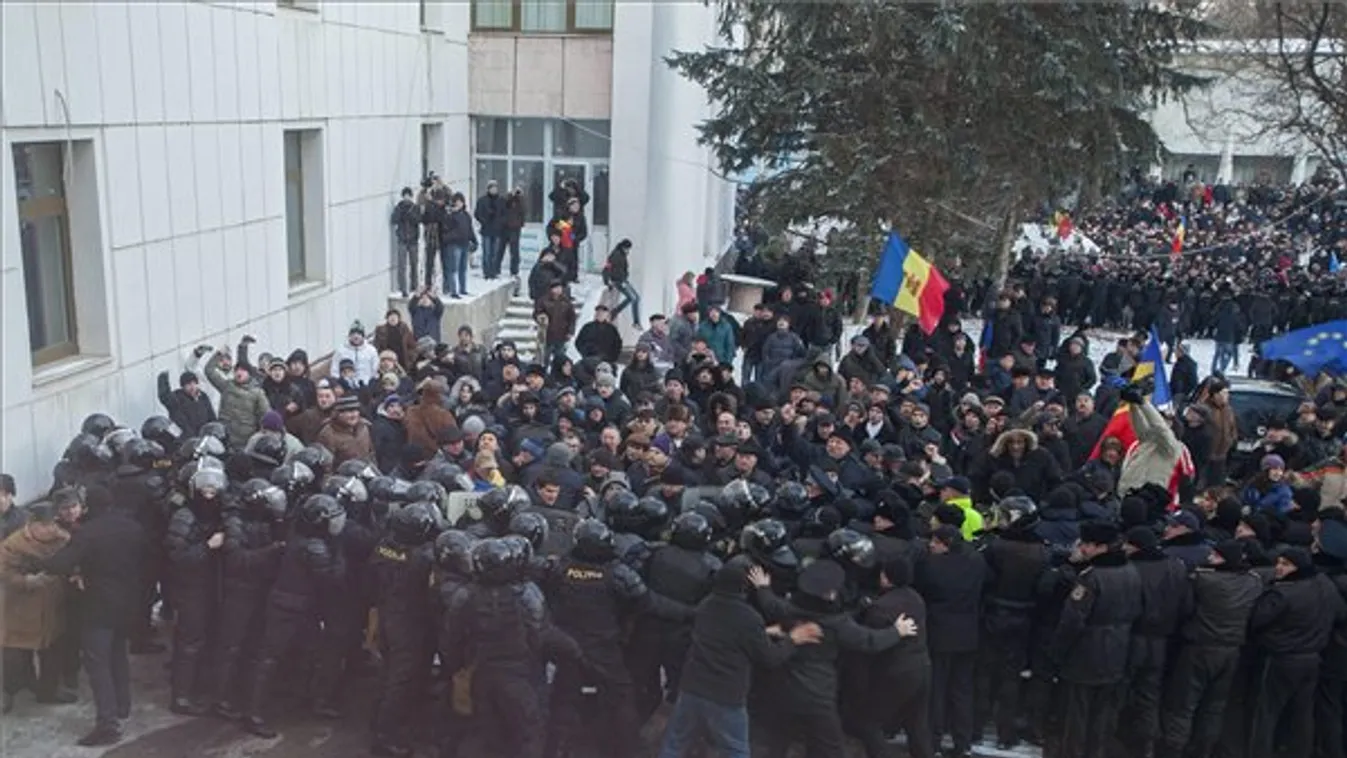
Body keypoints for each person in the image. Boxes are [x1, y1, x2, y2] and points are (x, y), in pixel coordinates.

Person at [657, 556, 823, 758]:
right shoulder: (749, 617)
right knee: (735, 750)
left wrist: (762, 632)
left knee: (675, 743)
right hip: (726, 695)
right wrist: (793, 640)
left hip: (692, 687)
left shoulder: (706, 606)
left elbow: (727, 631)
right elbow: (770, 657)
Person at [43, 486, 150, 747]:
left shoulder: (87, 533)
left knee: (97, 663)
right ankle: (123, 705)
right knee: (118, 655)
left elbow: (58, 564)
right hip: (129, 604)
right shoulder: (133, 527)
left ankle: (107, 723)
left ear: (88, 506)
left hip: (98, 606)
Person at [1048, 521, 1143, 758]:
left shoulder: (1090, 577)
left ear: (1099, 547)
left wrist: (1057, 652)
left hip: (1086, 653)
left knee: (1076, 715)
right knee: (1102, 716)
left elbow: (1072, 620)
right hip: (1118, 649)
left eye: (1086, 545)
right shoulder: (1131, 571)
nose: (1082, 549)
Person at [1, 502, 74, 714]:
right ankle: (11, 691)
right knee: (15, 653)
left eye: (52, 524)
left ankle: (48, 690)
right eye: (44, 524)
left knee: (52, 650)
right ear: (31, 524)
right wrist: (27, 581)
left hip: (52, 606)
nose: (49, 529)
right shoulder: (13, 544)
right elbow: (4, 572)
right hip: (21, 608)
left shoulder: (63, 540)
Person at [204, 347, 269, 450]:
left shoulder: (258, 393)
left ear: (249, 374)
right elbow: (209, 370)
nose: (239, 373)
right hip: (224, 439)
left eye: (243, 370)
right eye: (237, 370)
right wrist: (218, 355)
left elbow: (266, 415)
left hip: (245, 442)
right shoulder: (226, 386)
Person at [157, 347, 218, 438]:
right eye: (189, 384)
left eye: (194, 383)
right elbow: (165, 397)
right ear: (183, 386)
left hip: (204, 441)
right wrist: (163, 380)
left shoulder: (203, 397)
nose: (192, 386)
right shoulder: (177, 398)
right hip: (185, 443)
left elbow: (212, 418)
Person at [441, 192, 477, 299]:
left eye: (460, 202)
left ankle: (463, 288)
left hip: (464, 244)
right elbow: (445, 229)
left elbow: (470, 230)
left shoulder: (466, 215)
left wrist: (474, 241)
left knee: (463, 268)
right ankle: (453, 290)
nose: (458, 204)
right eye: (456, 202)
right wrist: (453, 235)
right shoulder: (450, 216)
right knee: (453, 269)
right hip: (453, 244)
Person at [534, 280, 577, 368]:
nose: (558, 290)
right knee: (544, 358)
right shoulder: (543, 300)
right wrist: (540, 316)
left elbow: (572, 318)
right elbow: (536, 313)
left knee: (560, 358)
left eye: (560, 288)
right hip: (547, 335)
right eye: (556, 288)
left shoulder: (566, 301)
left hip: (561, 334)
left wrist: (570, 331)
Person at [389, 187, 422, 296]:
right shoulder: (399, 207)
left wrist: (410, 214)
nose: (406, 198)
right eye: (405, 196)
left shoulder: (415, 207)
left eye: (408, 195)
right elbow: (394, 220)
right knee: (402, 265)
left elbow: (418, 220)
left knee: (414, 264)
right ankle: (403, 288)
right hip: (402, 240)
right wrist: (400, 212)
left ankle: (414, 285)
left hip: (413, 240)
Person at [330, 321, 381, 386]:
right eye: (353, 334)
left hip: (366, 384)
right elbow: (334, 369)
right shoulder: (341, 351)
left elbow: (375, 369)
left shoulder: (371, 350)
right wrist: (338, 383)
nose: (356, 336)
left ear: (363, 336)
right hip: (346, 385)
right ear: (349, 336)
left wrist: (372, 382)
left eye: (359, 334)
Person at [604, 239, 641, 328]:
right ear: (623, 247)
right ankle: (636, 322)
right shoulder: (615, 255)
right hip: (618, 281)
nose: (628, 251)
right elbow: (607, 269)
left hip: (622, 280)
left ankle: (614, 312)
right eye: (628, 249)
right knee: (634, 298)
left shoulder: (621, 254)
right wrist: (607, 282)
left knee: (633, 298)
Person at [475, 179, 506, 280]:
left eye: (495, 188)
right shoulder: (482, 200)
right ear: (488, 189)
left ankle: (494, 271)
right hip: (486, 230)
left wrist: (500, 223)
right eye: (492, 188)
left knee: (495, 253)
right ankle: (486, 272)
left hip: (497, 231)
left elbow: (505, 214)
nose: (494, 190)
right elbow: (477, 213)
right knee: (487, 252)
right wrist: (484, 220)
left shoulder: (501, 200)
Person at [502, 186, 526, 278]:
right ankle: (496, 269)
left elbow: (523, 211)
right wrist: (510, 196)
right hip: (506, 228)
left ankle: (514, 270)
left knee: (515, 251)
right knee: (501, 249)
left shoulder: (520, 202)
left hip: (516, 228)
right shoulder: (508, 200)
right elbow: (505, 207)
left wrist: (519, 198)